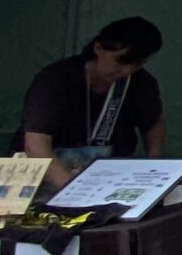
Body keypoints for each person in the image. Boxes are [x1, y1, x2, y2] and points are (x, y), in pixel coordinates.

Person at [17, 17, 168, 169]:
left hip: (108, 172)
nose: (127, 70)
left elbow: (153, 121)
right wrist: (68, 182)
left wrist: (154, 157)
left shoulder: (141, 82)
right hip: (47, 170)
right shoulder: (55, 80)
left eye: (137, 64)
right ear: (98, 48)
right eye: (121, 61)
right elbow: (36, 145)